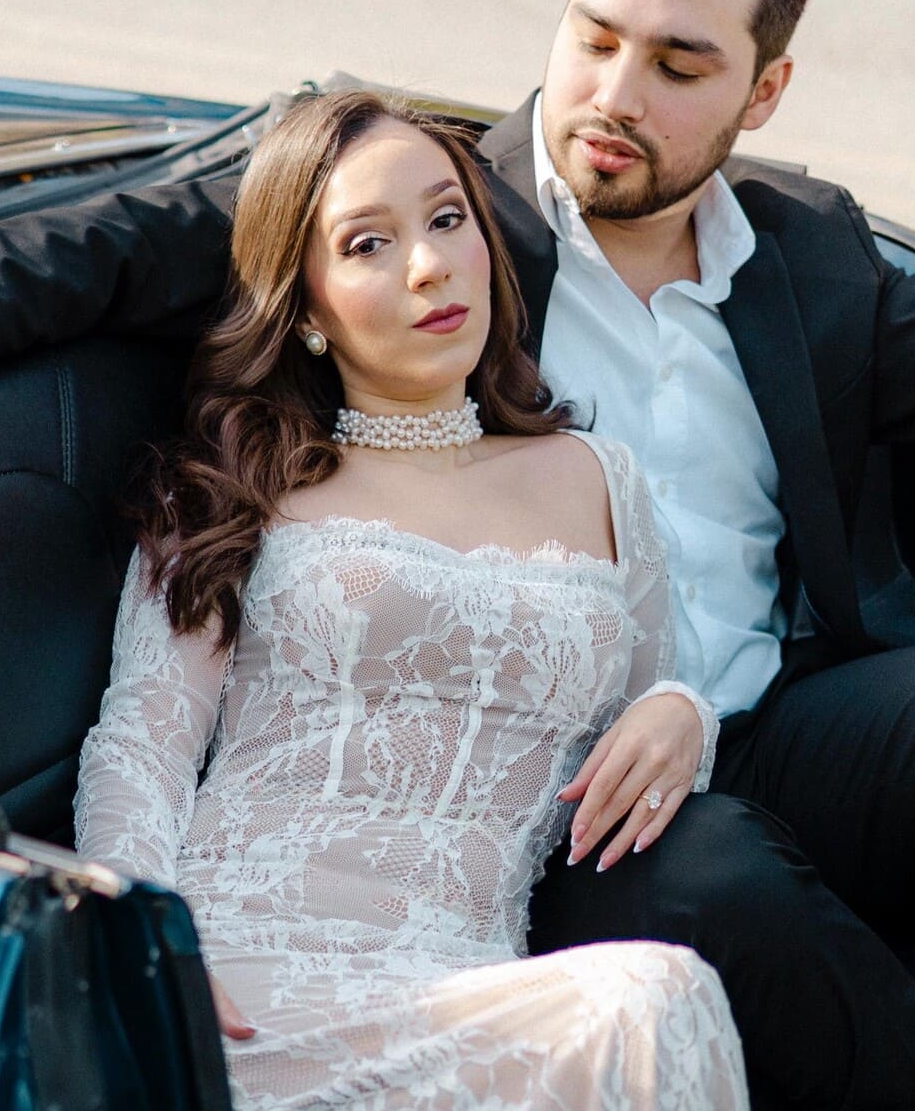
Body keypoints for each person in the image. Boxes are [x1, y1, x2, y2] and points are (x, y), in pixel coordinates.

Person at [0, 0, 915, 1107]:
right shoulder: (438, 205)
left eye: (678, 65)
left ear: (763, 91)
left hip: (751, 721)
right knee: (702, 880)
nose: (615, 93)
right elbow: (123, 241)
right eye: (594, 38)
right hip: (559, 811)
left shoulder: (811, 259)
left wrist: (679, 699)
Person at [72, 85, 746, 1109]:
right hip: (243, 986)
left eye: (446, 218)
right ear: (305, 309)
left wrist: (683, 712)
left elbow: (655, 703)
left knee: (648, 1005)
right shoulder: (231, 488)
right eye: (367, 244)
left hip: (470, 990)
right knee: (654, 997)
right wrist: (146, 945)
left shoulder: (599, 478)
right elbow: (142, 745)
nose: (429, 265)